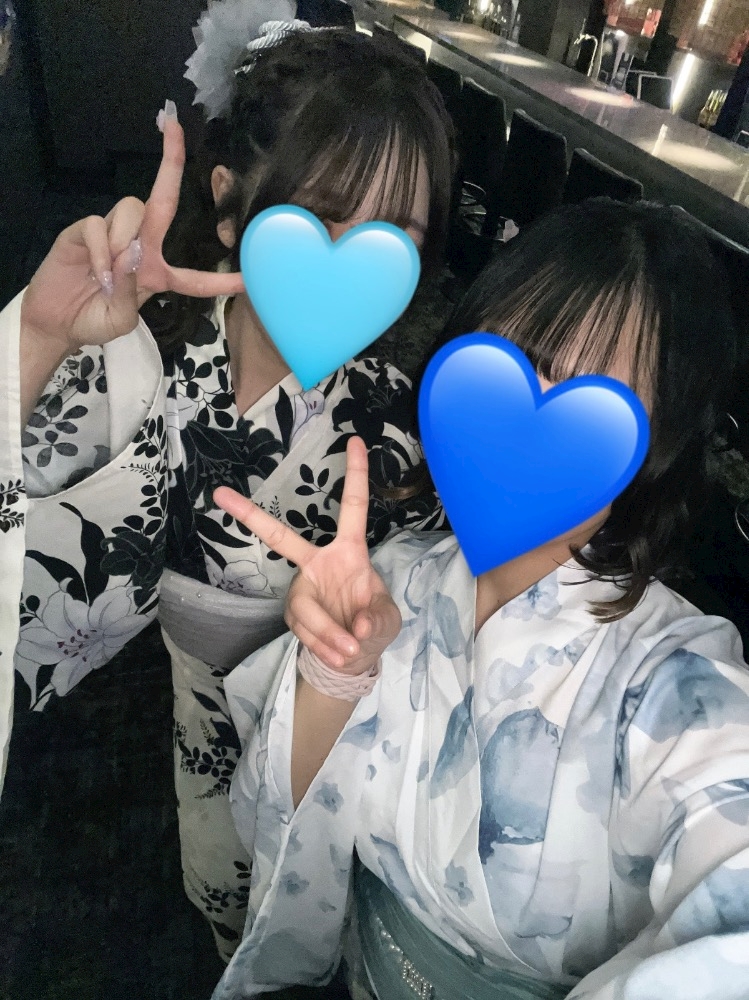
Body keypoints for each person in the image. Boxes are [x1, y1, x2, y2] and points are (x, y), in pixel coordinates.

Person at [209, 200, 749, 999]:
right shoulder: (396, 577)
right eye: (513, 361)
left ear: (655, 447)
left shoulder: (674, 685)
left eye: (591, 394)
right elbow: (271, 814)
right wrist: (334, 670)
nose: (529, 411)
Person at [0, 10, 454, 959]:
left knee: (317, 921)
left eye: (393, 236)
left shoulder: (409, 432)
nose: (349, 260)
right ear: (229, 205)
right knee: (219, 886)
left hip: (334, 759)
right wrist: (38, 338)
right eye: (321, 216)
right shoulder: (138, 360)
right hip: (193, 716)